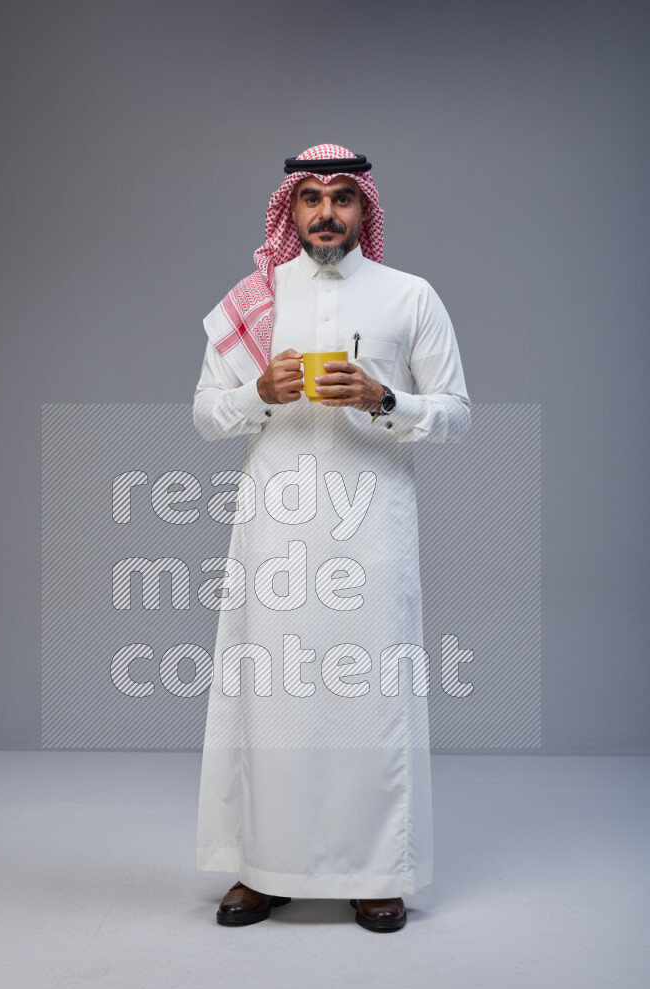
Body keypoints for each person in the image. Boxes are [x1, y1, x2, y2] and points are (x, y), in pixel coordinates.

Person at [193, 144, 470, 932]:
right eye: (310, 197)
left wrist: (390, 399)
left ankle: (377, 870)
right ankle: (262, 867)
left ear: (364, 209)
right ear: (291, 208)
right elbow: (205, 415)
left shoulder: (409, 296)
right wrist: (259, 392)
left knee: (369, 697)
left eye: (342, 197)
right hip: (274, 530)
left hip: (371, 531)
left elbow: (457, 413)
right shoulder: (257, 295)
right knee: (270, 699)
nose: (325, 212)